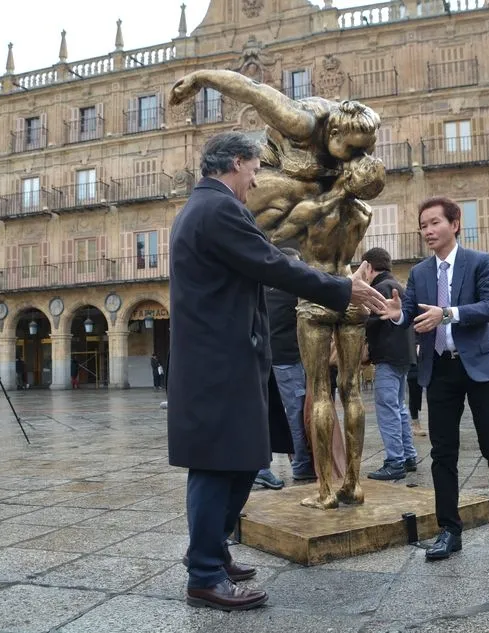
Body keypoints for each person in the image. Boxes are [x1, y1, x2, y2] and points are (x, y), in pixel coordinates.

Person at [168, 132, 386, 611]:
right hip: (219, 362)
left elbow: (267, 256)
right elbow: (270, 263)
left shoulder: (207, 209)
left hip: (227, 358)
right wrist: (340, 288)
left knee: (245, 457)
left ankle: (212, 550)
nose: (256, 180)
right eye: (255, 170)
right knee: (216, 464)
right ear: (237, 162)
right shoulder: (217, 209)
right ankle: (204, 574)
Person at [380, 196, 489, 559]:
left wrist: (447, 314)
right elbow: (410, 312)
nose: (427, 231)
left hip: (481, 366)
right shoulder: (419, 273)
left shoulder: (479, 262)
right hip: (440, 367)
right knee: (443, 452)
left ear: (455, 224)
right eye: (423, 225)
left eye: (434, 223)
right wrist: (397, 314)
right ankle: (449, 529)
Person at [362, 247, 419, 481]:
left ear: (368, 267)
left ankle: (395, 461)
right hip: (403, 355)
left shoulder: (380, 288)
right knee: (399, 407)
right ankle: (408, 456)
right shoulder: (395, 285)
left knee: (387, 409)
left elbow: (370, 321)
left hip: (388, 356)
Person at [265, 246, 316, 482]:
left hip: (265, 360)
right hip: (288, 360)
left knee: (265, 413)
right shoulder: (294, 291)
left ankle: (261, 467)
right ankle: (302, 464)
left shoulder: (264, 289)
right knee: (296, 414)